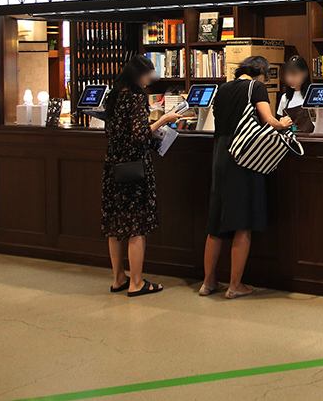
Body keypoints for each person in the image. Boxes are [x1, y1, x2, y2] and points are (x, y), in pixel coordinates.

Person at [201, 56, 292, 299]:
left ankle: (208, 283)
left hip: (220, 155)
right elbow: (269, 121)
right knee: (243, 223)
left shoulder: (222, 89)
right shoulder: (256, 87)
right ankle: (235, 285)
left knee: (216, 223)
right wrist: (283, 122)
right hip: (243, 158)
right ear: (262, 72)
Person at [102, 54, 181, 297]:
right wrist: (164, 119)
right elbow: (140, 135)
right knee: (136, 226)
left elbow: (116, 131)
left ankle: (119, 278)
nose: (150, 79)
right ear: (139, 75)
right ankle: (136, 282)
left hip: (114, 165)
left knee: (116, 225)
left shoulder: (115, 96)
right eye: (148, 74)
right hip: (135, 166)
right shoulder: (136, 98)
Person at [276, 54, 311, 119]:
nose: (290, 79)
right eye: (288, 75)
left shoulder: (312, 96)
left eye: (294, 74)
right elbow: (280, 119)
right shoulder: (285, 97)